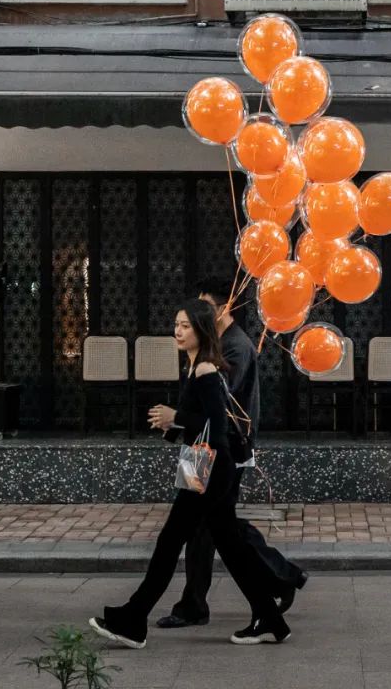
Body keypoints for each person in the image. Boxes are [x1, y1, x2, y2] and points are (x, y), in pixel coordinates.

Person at [89, 298, 291, 648]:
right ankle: (270, 619)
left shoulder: (206, 370)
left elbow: (216, 425)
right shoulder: (195, 364)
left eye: (185, 326)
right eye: (176, 325)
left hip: (208, 466)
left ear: (202, 330)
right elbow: (198, 420)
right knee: (229, 547)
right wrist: (173, 425)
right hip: (200, 462)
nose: (177, 331)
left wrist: (177, 419)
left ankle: (133, 620)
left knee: (169, 543)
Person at [148, 277, 307, 629]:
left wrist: (177, 418)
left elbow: (216, 405)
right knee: (209, 527)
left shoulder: (235, 347)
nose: (193, 317)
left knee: (213, 526)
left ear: (224, 308)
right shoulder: (212, 343)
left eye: (203, 308)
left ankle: (275, 577)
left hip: (223, 450)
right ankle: (269, 582)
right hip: (198, 447)